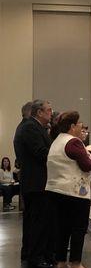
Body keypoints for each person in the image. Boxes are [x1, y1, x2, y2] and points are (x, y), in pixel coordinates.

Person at [46, 111, 91, 268]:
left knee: (62, 228)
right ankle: (76, 264)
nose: (81, 127)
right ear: (72, 127)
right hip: (74, 192)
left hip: (55, 190)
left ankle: (61, 262)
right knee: (78, 228)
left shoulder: (57, 141)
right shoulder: (73, 142)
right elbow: (86, 165)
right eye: (79, 125)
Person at [13, 99, 54, 268]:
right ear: (39, 112)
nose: (51, 113)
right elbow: (40, 152)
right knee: (38, 220)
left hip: (34, 181)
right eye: (49, 110)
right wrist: (60, 153)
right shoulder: (31, 127)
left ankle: (30, 252)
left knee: (33, 220)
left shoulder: (30, 126)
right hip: (37, 182)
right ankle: (36, 257)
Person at [12, 102, 32, 260]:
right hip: (32, 179)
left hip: (28, 178)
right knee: (33, 218)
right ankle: (32, 252)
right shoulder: (27, 128)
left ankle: (29, 250)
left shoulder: (22, 127)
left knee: (30, 218)